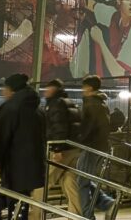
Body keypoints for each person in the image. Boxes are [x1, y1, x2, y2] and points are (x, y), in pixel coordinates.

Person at [0, 74, 46, 220]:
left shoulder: (11, 109)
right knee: (15, 209)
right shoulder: (37, 110)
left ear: (12, 90)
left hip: (15, 171)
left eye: (5, 87)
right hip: (30, 171)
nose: (2, 91)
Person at [30, 79, 81, 219]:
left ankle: (35, 216)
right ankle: (76, 216)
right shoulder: (69, 102)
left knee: (43, 182)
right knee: (70, 183)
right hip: (74, 149)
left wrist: (57, 148)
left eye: (48, 88)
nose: (45, 91)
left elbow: (59, 126)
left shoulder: (56, 104)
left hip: (61, 150)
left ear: (54, 89)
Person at [76, 75, 114, 219]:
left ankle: (88, 215)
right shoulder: (101, 103)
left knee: (82, 182)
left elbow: (88, 128)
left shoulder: (91, 104)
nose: (82, 90)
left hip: (91, 147)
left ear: (89, 88)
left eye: (84, 87)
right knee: (85, 180)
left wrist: (79, 140)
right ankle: (106, 203)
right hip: (100, 146)